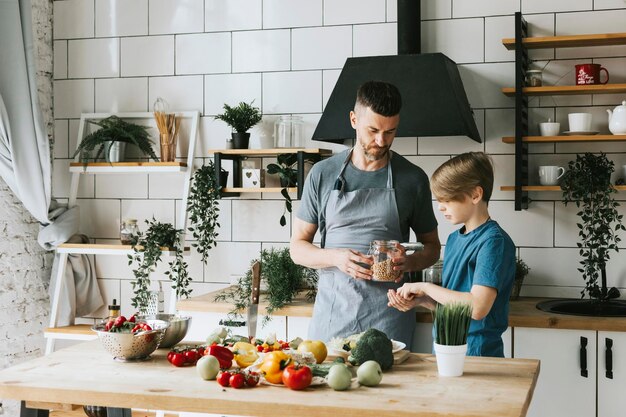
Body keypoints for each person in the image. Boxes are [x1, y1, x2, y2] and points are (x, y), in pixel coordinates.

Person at [290, 80, 441, 347]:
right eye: (373, 130)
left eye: (390, 132)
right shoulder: (322, 174)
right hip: (333, 317)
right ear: (353, 119)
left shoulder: (412, 179)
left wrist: (410, 263)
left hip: (388, 320)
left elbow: (432, 247)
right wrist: (336, 257)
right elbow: (297, 248)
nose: (381, 141)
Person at [387, 152, 515, 357]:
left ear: (475, 194)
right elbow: (454, 306)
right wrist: (422, 301)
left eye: (447, 198)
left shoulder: (493, 242)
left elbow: (477, 307)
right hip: (445, 348)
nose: (440, 206)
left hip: (476, 353)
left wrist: (424, 286)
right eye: (439, 199)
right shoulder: (455, 238)